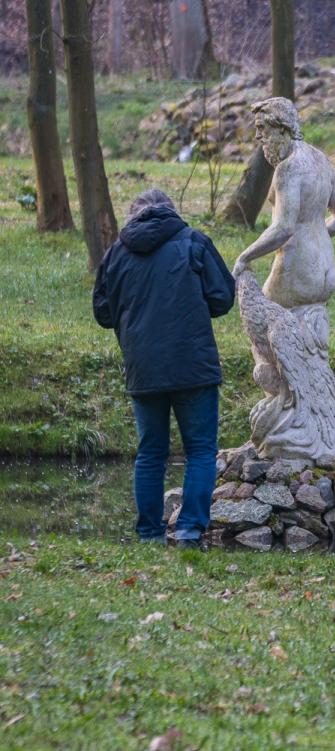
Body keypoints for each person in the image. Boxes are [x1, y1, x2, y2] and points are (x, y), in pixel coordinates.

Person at [93, 188, 235, 549]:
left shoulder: (115, 255)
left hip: (143, 367)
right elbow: (222, 298)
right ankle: (189, 529)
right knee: (201, 450)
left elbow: (103, 314)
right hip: (194, 364)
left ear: (133, 216)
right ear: (172, 212)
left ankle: (149, 533)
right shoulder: (194, 242)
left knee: (151, 451)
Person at [232, 97, 335, 308]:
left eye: (262, 128)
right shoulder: (321, 159)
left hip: (298, 272)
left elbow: (284, 227)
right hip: (326, 272)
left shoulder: (288, 169)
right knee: (312, 337)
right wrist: (314, 232)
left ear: (282, 128)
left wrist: (244, 257)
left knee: (262, 322)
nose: (259, 136)